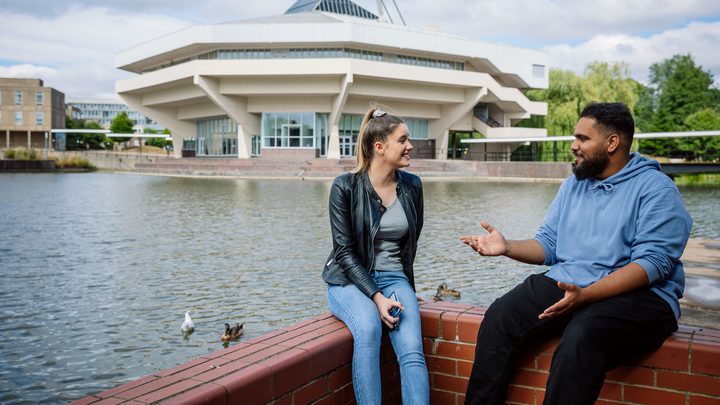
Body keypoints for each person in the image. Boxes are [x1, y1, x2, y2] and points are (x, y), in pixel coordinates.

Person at [461, 102, 692, 405]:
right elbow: (550, 245)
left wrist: (587, 295)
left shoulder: (656, 189)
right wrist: (507, 247)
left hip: (642, 296)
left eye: (583, 138)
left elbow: (652, 264)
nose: (573, 145)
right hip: (573, 283)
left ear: (612, 143)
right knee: (501, 316)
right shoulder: (574, 185)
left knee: (582, 336)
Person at [322, 107, 429, 404]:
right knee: (368, 328)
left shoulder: (413, 187)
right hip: (349, 281)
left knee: (411, 350)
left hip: (394, 276)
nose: (410, 146)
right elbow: (344, 253)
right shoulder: (345, 187)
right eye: (403, 140)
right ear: (379, 148)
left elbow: (409, 248)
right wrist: (376, 296)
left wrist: (407, 290)